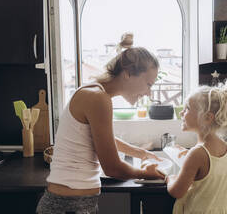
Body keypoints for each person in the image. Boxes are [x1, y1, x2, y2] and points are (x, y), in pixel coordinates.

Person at [37, 33, 164, 214]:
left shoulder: (95, 93)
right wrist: (147, 174)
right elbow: (112, 168)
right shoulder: (98, 98)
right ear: (128, 73)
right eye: (148, 84)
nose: (148, 93)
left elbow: (101, 138)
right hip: (67, 206)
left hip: (76, 204)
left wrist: (139, 152)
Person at [166, 76, 227, 214]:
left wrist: (169, 178)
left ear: (207, 117)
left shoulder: (197, 154)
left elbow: (177, 191)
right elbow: (208, 172)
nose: (181, 112)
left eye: (187, 109)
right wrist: (187, 156)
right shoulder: (224, 146)